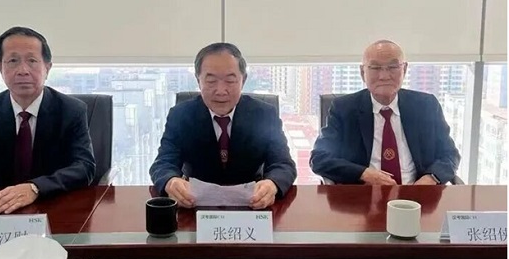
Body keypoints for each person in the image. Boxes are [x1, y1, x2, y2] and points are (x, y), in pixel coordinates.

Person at [0, 26, 96, 214]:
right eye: (13, 61)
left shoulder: (71, 110)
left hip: (56, 206)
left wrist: (35, 187)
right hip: (0, 209)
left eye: (32, 61)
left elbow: (84, 167)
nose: (23, 70)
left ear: (47, 67)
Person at [149, 42, 297, 209]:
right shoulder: (181, 115)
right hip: (194, 206)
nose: (220, 91)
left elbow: (283, 164)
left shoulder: (264, 114)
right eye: (211, 81)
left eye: (230, 80)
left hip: (252, 204)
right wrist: (170, 181)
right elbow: (163, 163)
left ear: (243, 80)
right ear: (198, 80)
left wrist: (272, 184)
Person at [310, 40, 460, 185]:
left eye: (393, 67)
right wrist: (364, 174)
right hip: (363, 194)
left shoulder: (426, 106)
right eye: (375, 68)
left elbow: (450, 154)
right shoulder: (344, 109)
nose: (384, 76)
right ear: (362, 72)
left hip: (416, 193)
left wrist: (431, 178)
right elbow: (319, 159)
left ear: (404, 69)